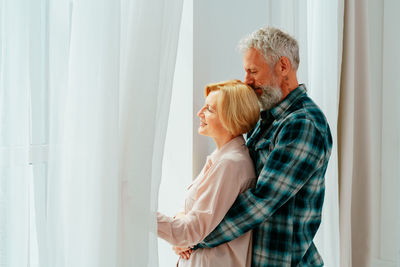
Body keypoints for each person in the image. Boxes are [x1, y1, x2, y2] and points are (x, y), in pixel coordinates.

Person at [190, 27, 333, 266]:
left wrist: (194, 237)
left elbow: (261, 201)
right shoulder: (267, 118)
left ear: (283, 66)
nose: (247, 81)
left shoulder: (303, 124)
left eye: (253, 71)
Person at [157, 80, 260, 267]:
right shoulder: (221, 158)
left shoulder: (230, 164)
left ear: (232, 118)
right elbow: (190, 216)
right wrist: (181, 233)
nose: (200, 113)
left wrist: (142, 216)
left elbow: (191, 231)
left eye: (209, 109)